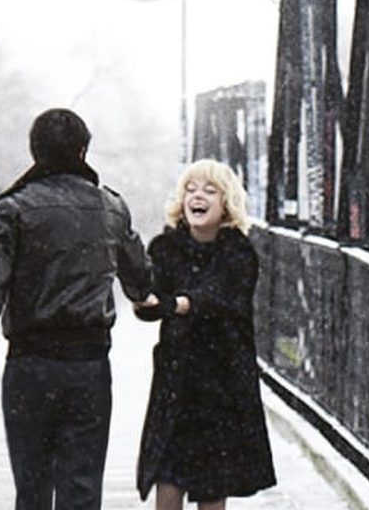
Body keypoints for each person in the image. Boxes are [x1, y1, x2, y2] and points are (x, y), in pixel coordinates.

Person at [0, 108, 154, 510]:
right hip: (89, 365)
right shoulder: (111, 208)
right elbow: (140, 281)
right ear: (83, 151)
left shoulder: (13, 209)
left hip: (29, 365)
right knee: (81, 489)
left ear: (35, 151)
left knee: (32, 488)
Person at [132, 159, 276, 509]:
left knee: (213, 483)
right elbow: (151, 301)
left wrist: (177, 304)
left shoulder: (239, 252)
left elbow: (220, 297)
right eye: (190, 190)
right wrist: (144, 300)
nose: (197, 196)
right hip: (176, 378)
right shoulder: (165, 248)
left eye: (210, 191)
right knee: (168, 475)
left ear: (226, 203)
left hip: (222, 380)